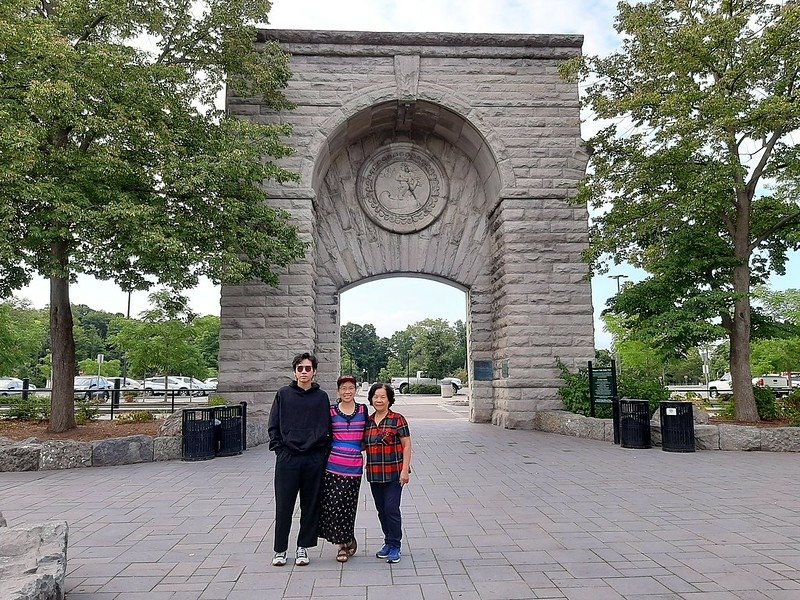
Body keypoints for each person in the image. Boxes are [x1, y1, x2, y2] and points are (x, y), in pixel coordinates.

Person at [268, 352, 332, 567]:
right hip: (288, 459)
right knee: (284, 505)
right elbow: (273, 425)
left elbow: (326, 427)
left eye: (308, 368)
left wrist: (320, 453)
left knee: (310, 505)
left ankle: (303, 547)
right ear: (294, 371)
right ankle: (280, 549)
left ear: (314, 371)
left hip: (313, 459)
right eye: (300, 368)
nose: (304, 372)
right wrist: (280, 449)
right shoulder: (283, 394)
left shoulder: (321, 397)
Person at [317, 375, 368, 562]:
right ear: (338, 391)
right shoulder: (330, 411)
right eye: (343, 388)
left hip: (354, 467)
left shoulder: (363, 410)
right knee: (335, 505)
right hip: (333, 466)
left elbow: (367, 436)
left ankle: (348, 539)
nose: (347, 391)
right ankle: (342, 545)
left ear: (355, 390)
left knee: (349, 506)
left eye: (350, 388)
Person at [363, 382, 412, 564]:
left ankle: (395, 545)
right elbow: (361, 445)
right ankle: (387, 541)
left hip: (394, 472)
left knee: (391, 509)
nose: (379, 400)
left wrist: (405, 470)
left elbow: (407, 445)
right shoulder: (367, 422)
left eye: (383, 397)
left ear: (390, 399)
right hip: (375, 473)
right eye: (376, 397)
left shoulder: (397, 419)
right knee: (381, 510)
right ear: (371, 399)